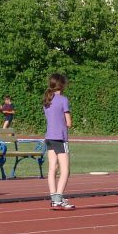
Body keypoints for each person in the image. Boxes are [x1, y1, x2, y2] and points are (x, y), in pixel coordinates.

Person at [44, 74, 75, 211]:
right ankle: (58, 198)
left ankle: (54, 198)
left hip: (49, 138)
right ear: (62, 85)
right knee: (65, 170)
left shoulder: (47, 100)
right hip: (60, 138)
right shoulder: (63, 100)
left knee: (52, 168)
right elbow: (68, 123)